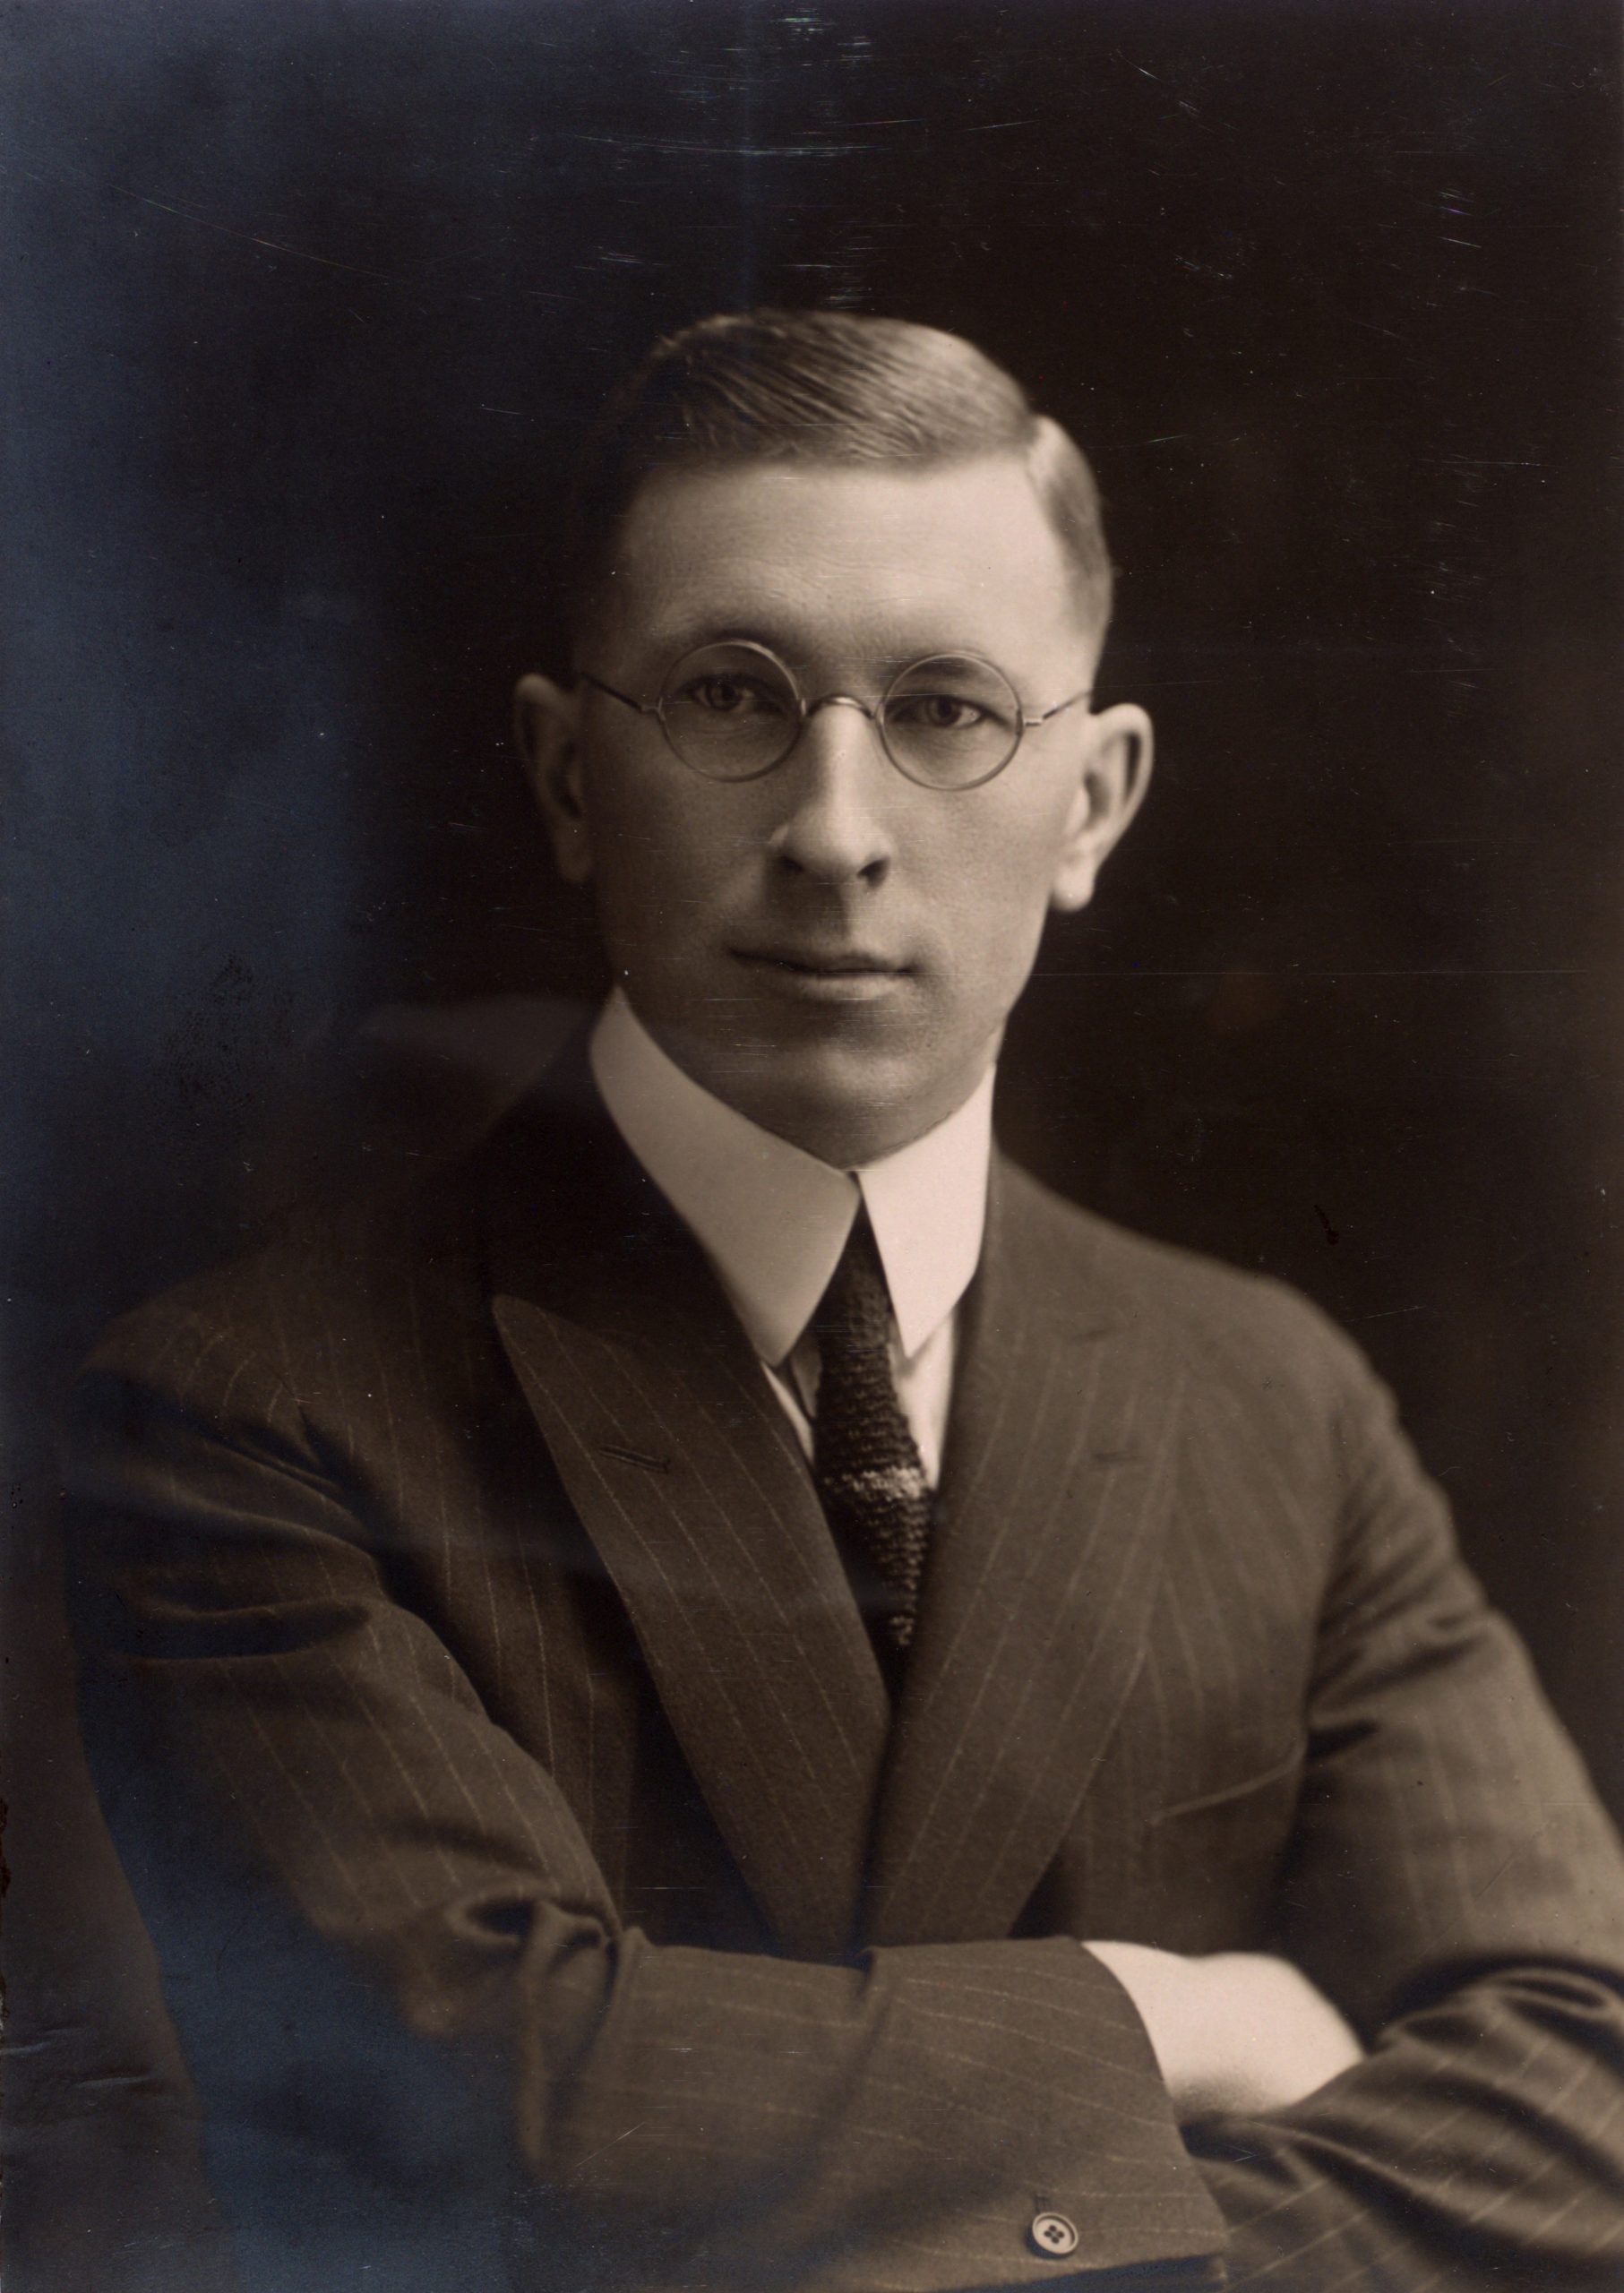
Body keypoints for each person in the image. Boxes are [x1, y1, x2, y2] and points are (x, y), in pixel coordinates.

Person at [66, 310, 1624, 2293]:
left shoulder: (1272, 1399)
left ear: (1092, 803)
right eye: (731, 692)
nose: (831, 827)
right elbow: (490, 2098)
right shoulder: (250, 1408)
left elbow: (1582, 2084)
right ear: (564, 771)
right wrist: (1170, 2019)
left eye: (949, 707)